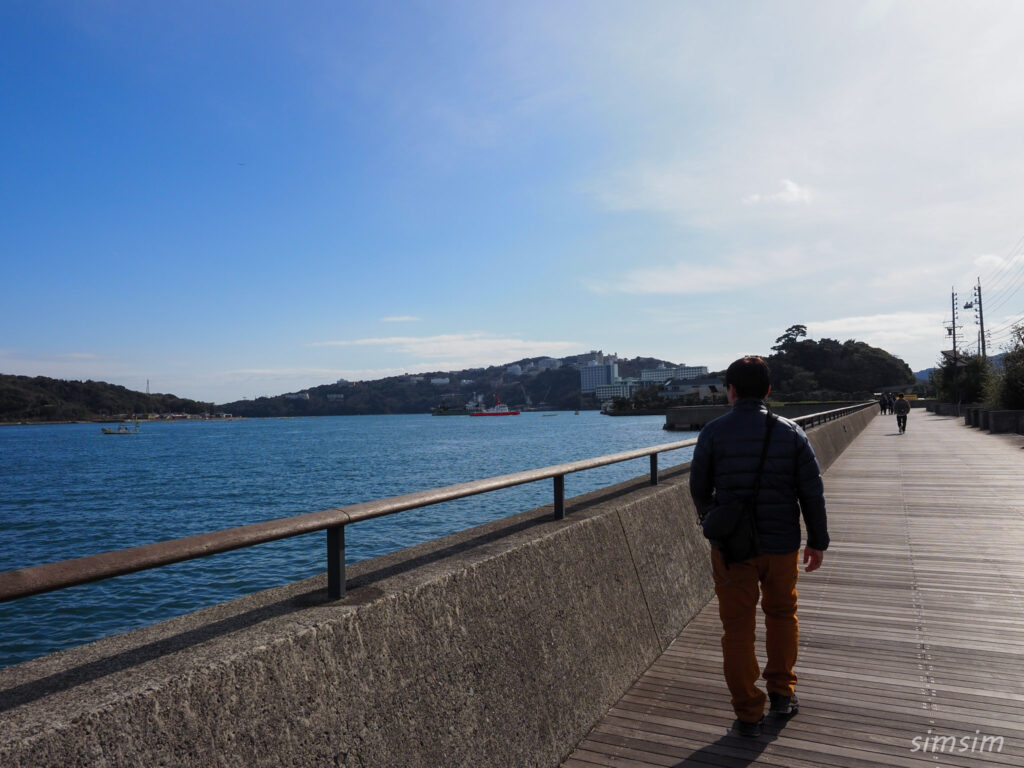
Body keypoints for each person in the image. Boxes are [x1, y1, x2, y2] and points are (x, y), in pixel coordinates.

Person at [689, 356, 829, 739]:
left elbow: (698, 490)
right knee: (782, 614)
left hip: (734, 548)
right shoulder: (791, 433)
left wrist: (717, 522)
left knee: (737, 630)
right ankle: (782, 694)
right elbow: (811, 491)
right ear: (768, 390)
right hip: (782, 543)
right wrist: (818, 540)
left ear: (730, 391)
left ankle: (748, 710)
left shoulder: (713, 433)